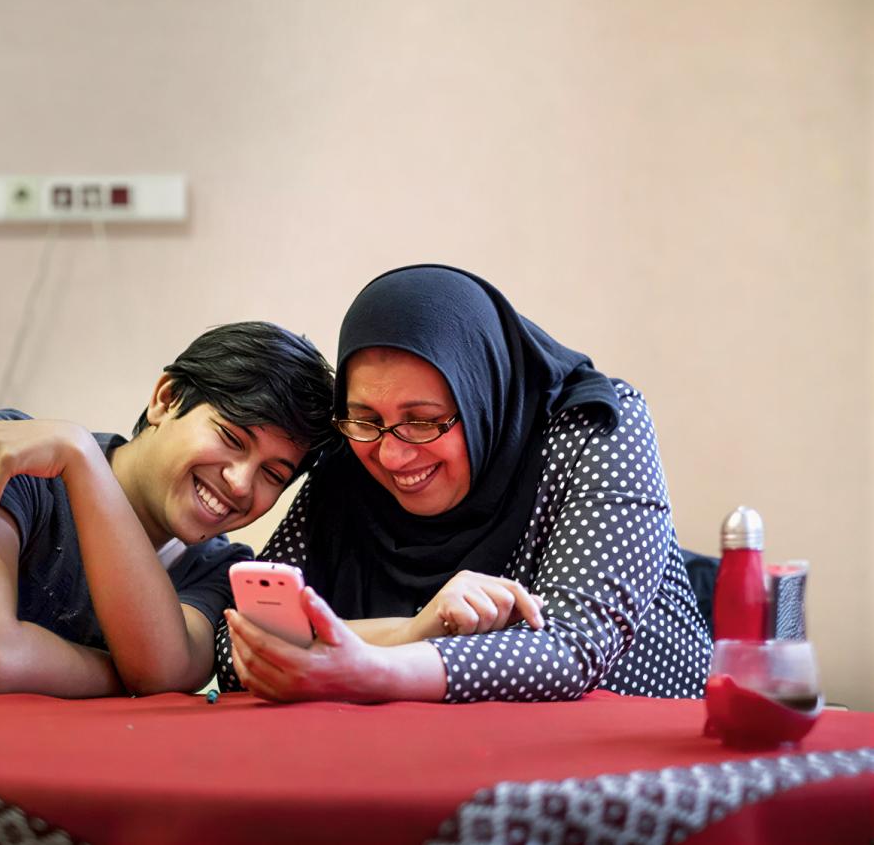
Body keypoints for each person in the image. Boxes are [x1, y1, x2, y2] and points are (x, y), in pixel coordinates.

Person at [218, 265, 712, 703]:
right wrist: (414, 630)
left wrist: (372, 667)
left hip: (636, 761)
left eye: (424, 421)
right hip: (416, 758)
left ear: (480, 397)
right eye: (365, 418)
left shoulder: (595, 427)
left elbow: (573, 646)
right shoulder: (354, 452)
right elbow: (242, 638)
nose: (392, 453)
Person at [0, 321, 334, 708]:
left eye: (273, 474)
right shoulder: (12, 456)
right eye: (231, 439)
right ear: (166, 399)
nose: (239, 482)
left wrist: (82, 460)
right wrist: (129, 676)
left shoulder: (219, 569)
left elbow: (168, 670)